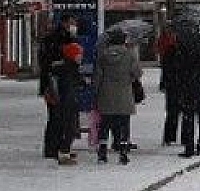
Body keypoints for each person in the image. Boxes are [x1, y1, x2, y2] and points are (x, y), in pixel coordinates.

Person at [92, 27, 143, 164]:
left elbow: (97, 77)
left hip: (106, 94)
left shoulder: (102, 55)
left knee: (104, 124)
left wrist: (96, 93)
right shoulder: (130, 55)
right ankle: (123, 152)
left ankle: (102, 152)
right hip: (124, 94)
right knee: (124, 124)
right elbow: (138, 73)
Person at [39, 15, 84, 164]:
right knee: (58, 119)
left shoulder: (61, 39)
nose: (74, 26)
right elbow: (48, 64)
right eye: (72, 23)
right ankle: (55, 148)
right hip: (56, 88)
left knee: (57, 119)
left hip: (54, 86)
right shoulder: (58, 40)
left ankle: (56, 148)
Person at [158, 23, 185, 146]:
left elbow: (165, 69)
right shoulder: (187, 53)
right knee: (185, 112)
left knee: (171, 112)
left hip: (172, 85)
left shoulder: (170, 51)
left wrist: (163, 83)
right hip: (183, 86)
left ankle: (169, 137)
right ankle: (185, 137)